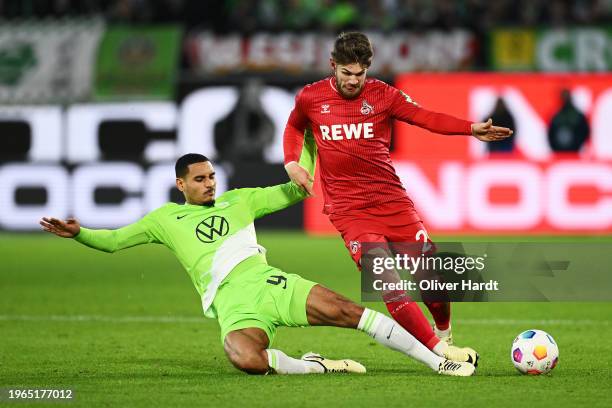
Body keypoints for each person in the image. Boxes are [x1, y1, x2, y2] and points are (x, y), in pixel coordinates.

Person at [39, 132, 475, 377]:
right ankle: (319, 367)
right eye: (200, 179)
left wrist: (308, 151)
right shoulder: (163, 220)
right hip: (231, 305)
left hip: (268, 284)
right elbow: (115, 241)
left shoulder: (241, 200)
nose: (210, 183)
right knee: (245, 359)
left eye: (212, 176)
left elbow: (292, 190)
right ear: (181, 185)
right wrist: (80, 233)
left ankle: (437, 362)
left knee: (348, 310)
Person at [283, 31, 512, 358]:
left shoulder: (383, 95)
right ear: (333, 66)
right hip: (349, 211)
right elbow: (294, 126)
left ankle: (443, 334)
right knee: (389, 283)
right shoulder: (311, 97)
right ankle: (439, 353)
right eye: (346, 73)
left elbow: (426, 118)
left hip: (392, 202)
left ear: (368, 69)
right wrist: (292, 162)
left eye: (359, 74)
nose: (352, 81)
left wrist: (469, 128)